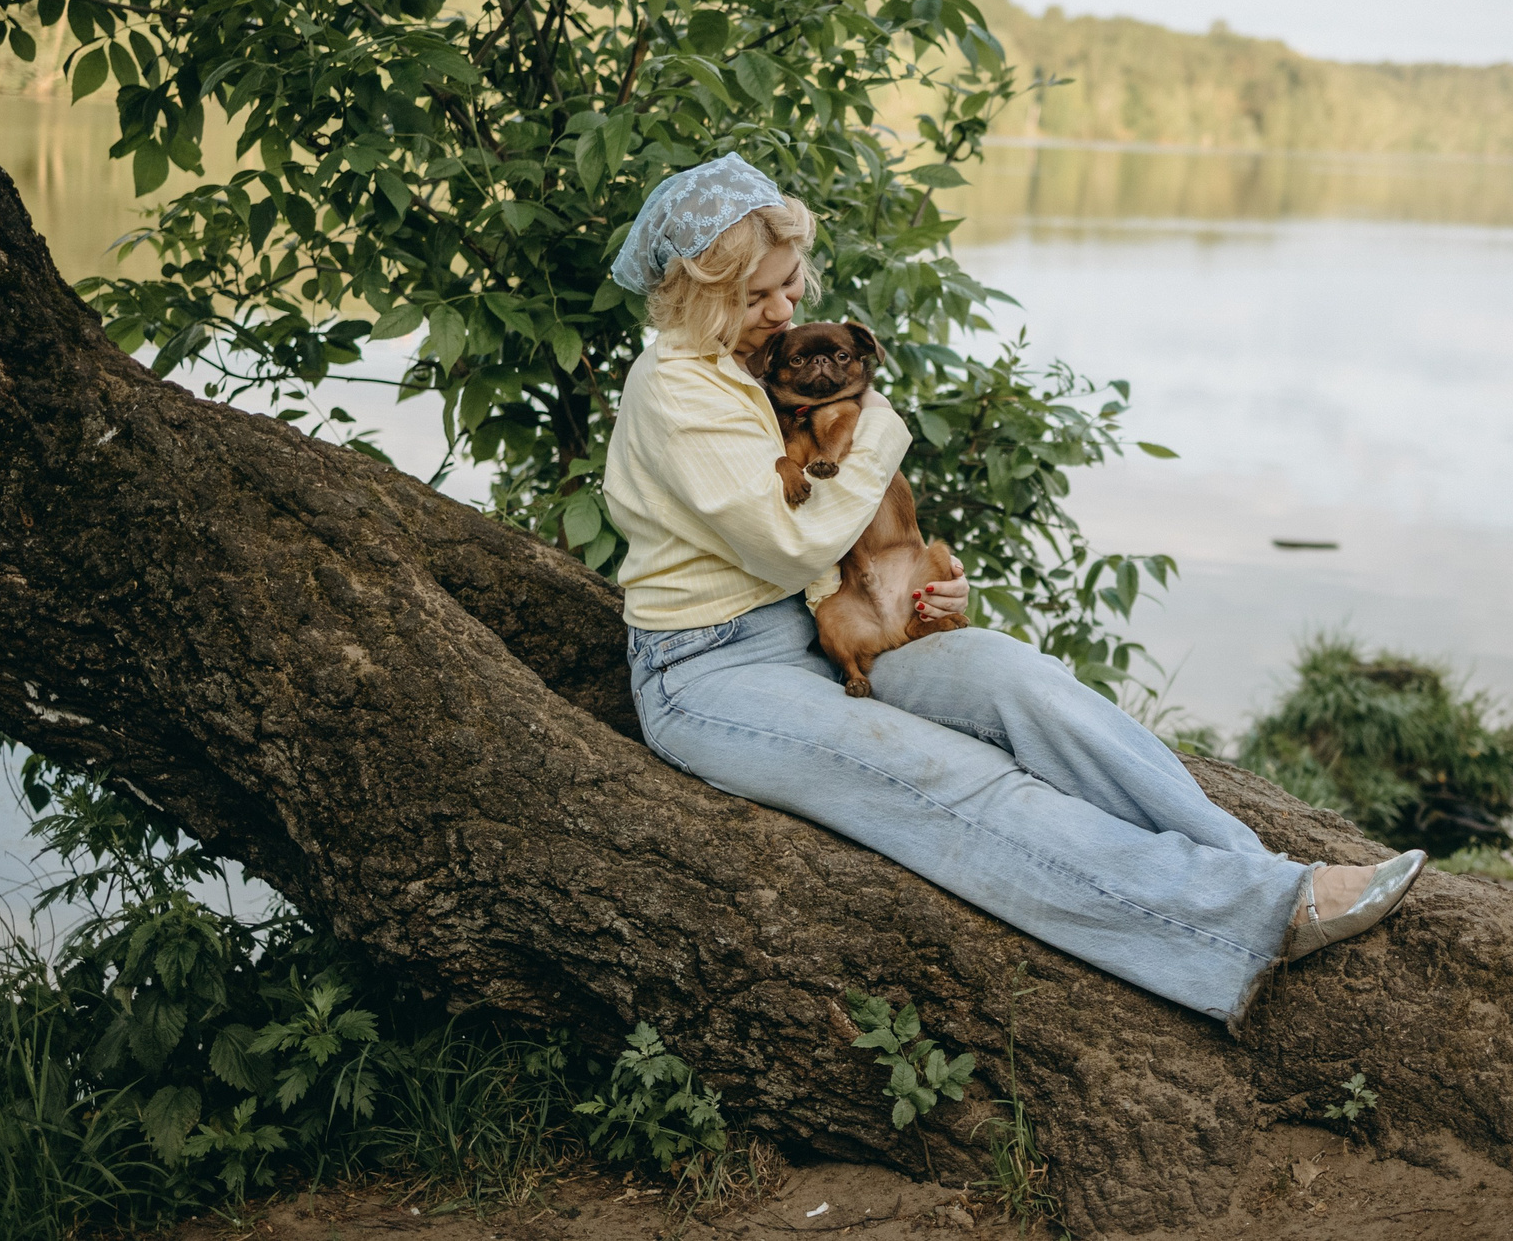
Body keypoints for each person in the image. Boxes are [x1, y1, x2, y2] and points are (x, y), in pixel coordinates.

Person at [599, 153, 1423, 1026]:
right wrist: (880, 424)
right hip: (710, 672)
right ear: (699, 294)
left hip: (825, 626)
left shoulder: (755, 363)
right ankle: (1256, 915)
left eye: (792, 285)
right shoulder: (675, 387)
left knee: (1025, 683)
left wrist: (918, 586)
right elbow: (789, 534)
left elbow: (828, 543)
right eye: (759, 297)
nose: (785, 311)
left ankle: (1252, 859)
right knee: (952, 780)